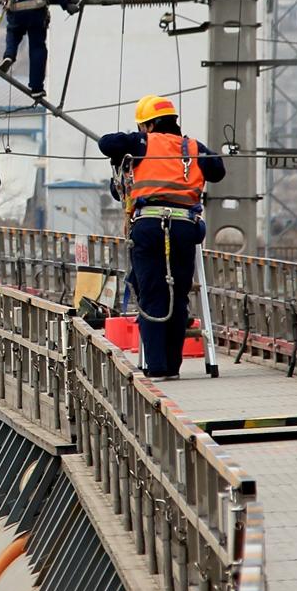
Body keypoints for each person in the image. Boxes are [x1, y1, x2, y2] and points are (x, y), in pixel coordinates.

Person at [98, 96, 224, 380]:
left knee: (152, 293)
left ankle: (155, 367)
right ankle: (172, 366)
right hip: (184, 228)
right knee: (178, 295)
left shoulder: (142, 143)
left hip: (150, 226)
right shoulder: (193, 148)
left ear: (150, 124)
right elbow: (218, 171)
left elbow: (106, 143)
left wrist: (135, 141)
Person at [0, 0, 80, 99]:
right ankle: (36, 88)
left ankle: (9, 55)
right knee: (37, 47)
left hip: (16, 8)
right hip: (37, 7)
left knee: (13, 32)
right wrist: (66, 4)